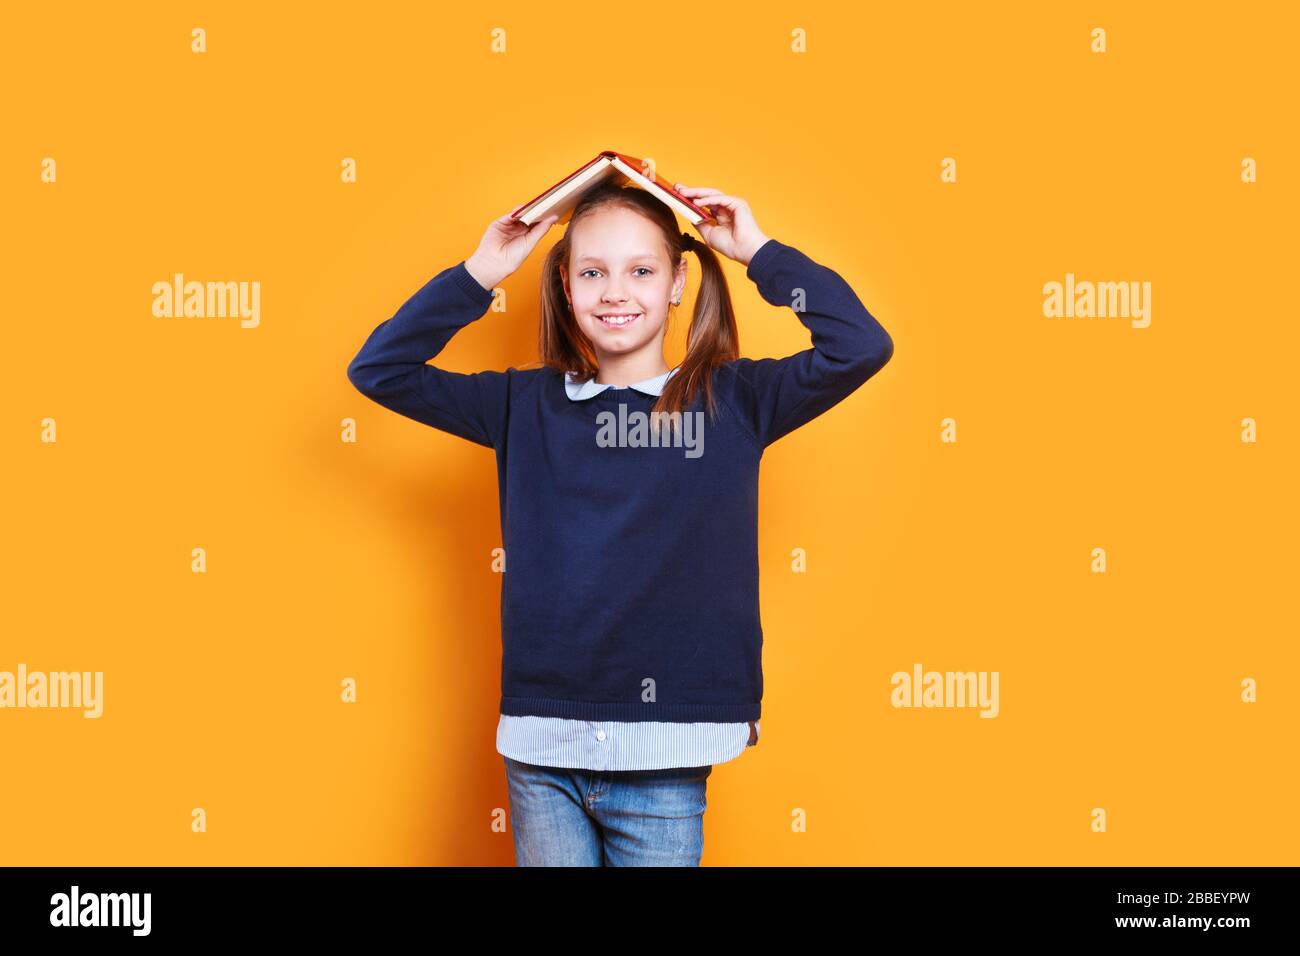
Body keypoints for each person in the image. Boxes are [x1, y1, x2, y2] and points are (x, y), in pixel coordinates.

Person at [347, 178, 894, 865]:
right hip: (542, 748)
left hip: (667, 749)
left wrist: (757, 251)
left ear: (677, 281)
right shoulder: (522, 404)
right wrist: (483, 270)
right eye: (592, 272)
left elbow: (860, 345)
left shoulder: (737, 402)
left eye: (641, 270)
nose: (614, 291)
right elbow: (379, 369)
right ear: (566, 286)